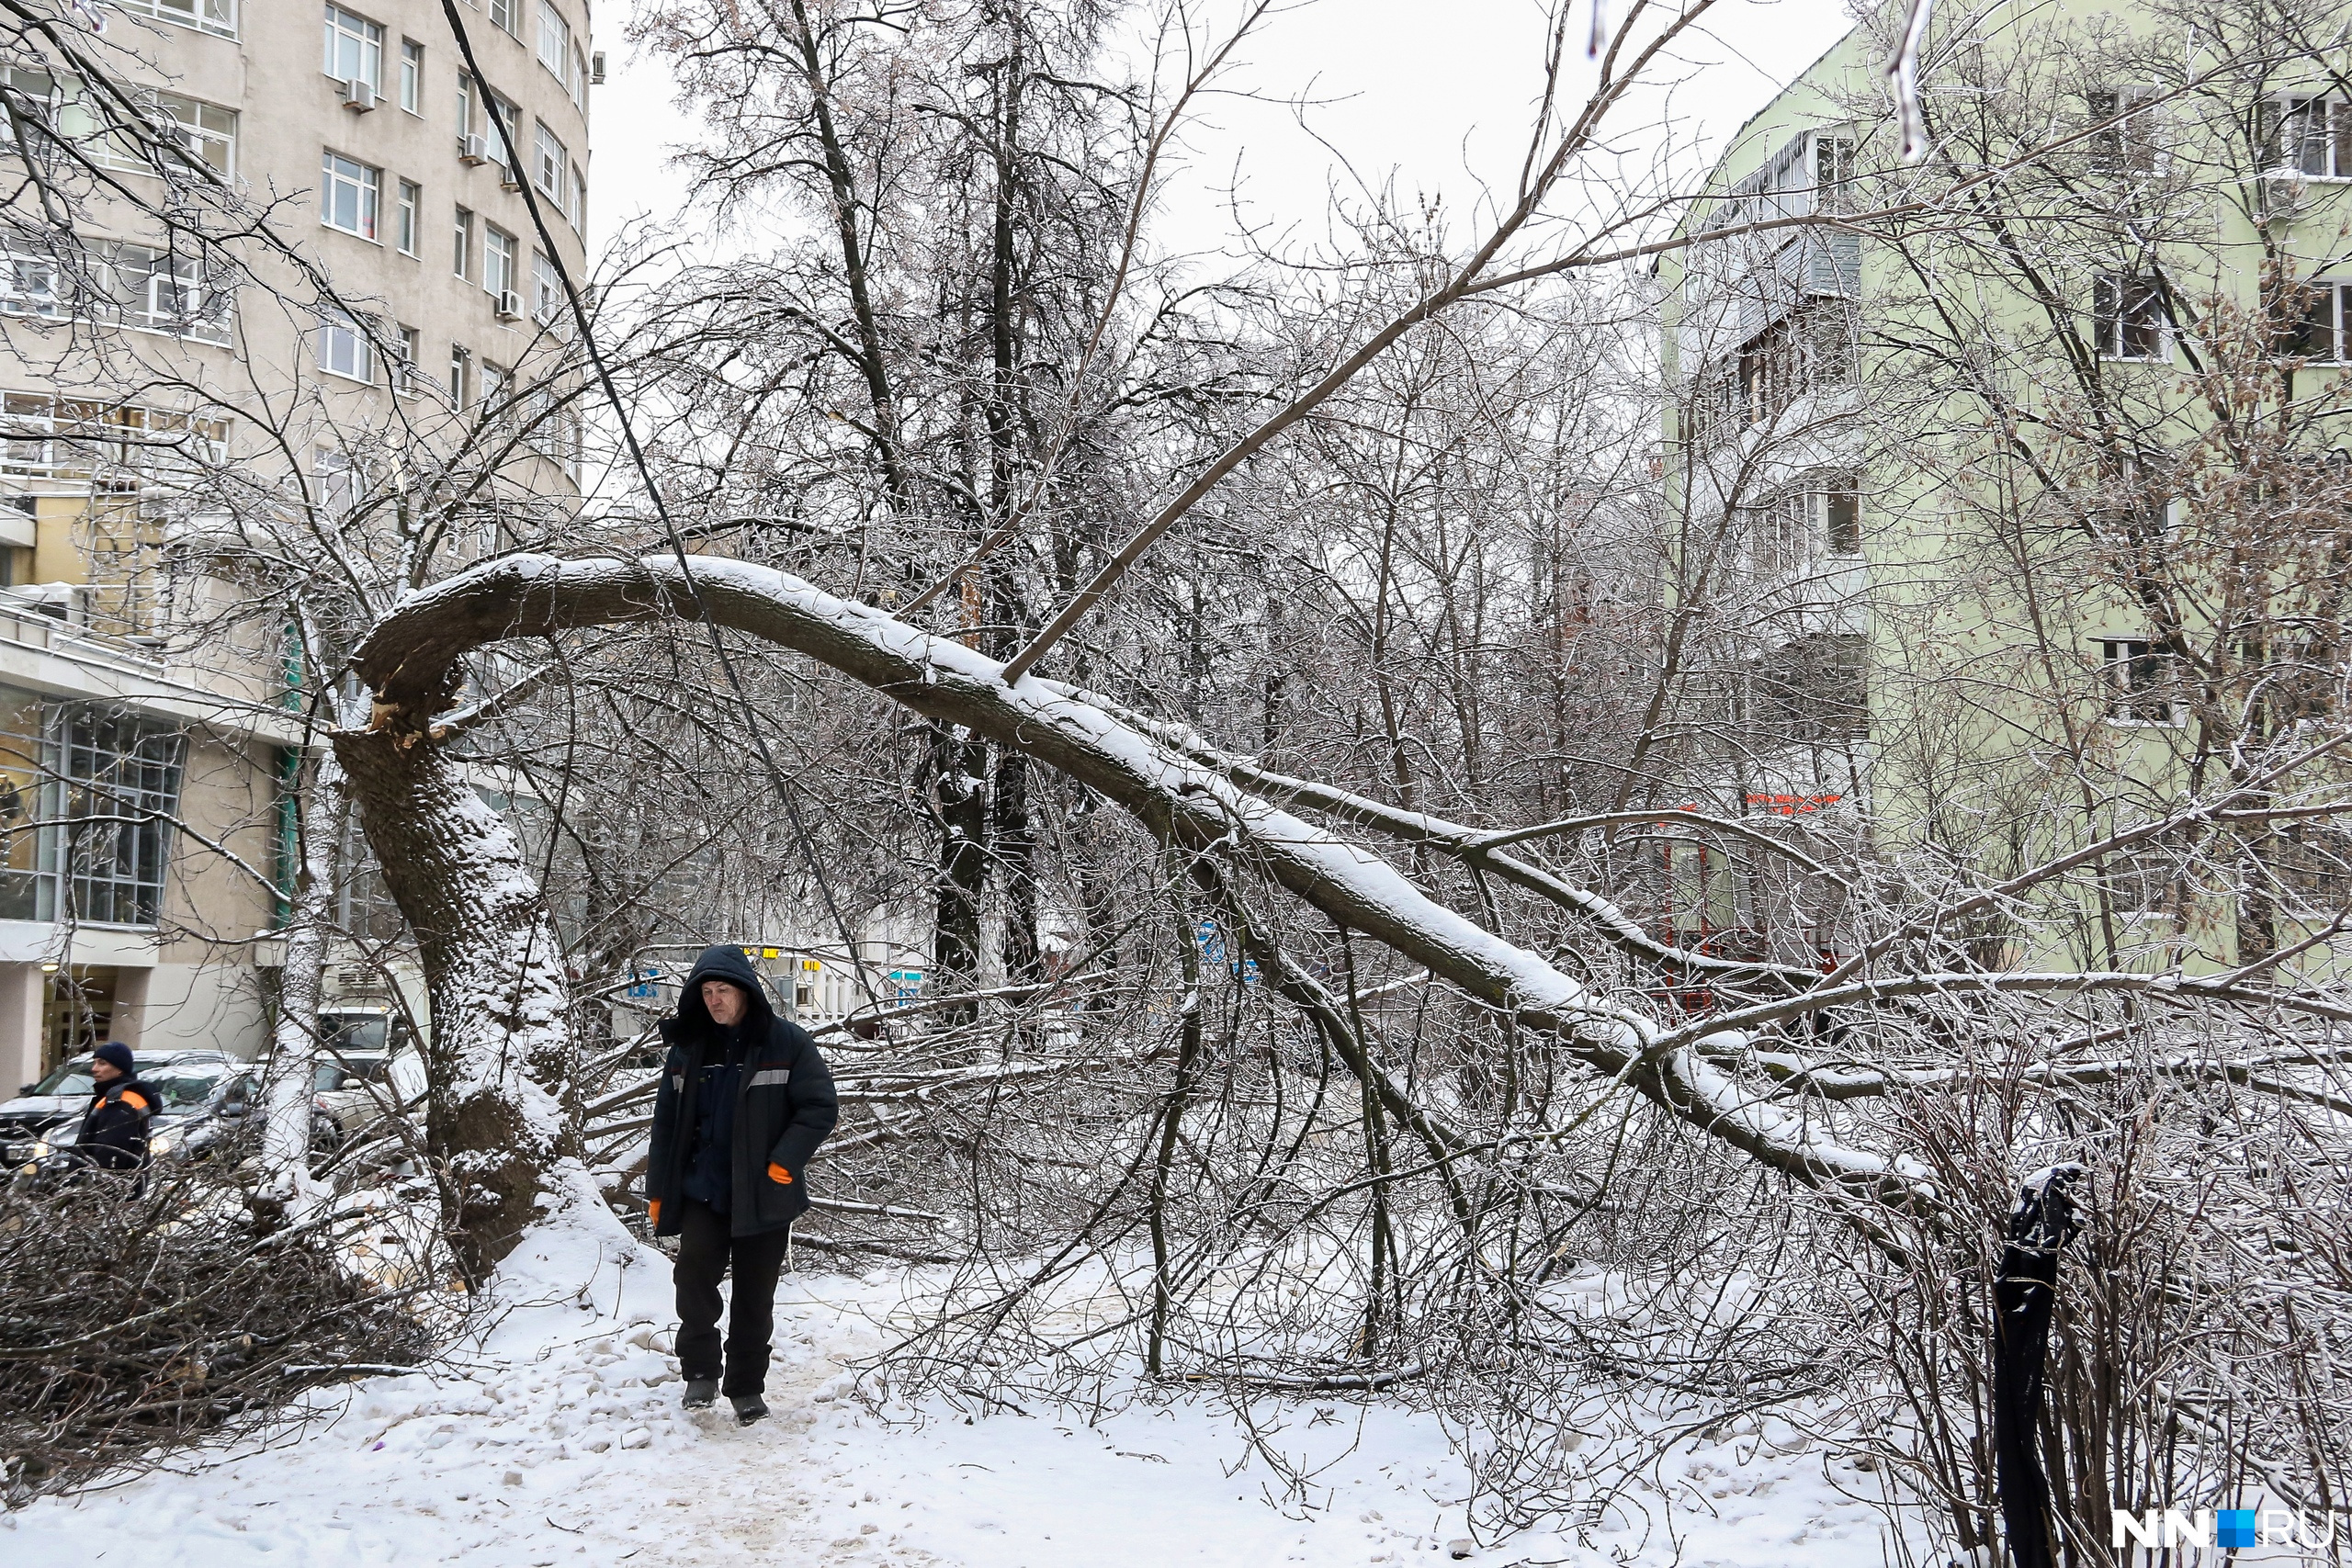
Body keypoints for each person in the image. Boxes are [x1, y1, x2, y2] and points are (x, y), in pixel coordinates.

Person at [645, 945, 838, 1426]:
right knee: (692, 1279)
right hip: (703, 1191)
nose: (714, 1001)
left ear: (745, 991)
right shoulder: (689, 1049)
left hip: (764, 1193)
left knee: (755, 1294)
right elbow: (666, 1125)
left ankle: (747, 1387)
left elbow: (819, 1108)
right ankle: (700, 1373)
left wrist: (784, 1163)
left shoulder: (787, 1043)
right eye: (706, 992)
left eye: (723, 991)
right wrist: (658, 1190)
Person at [76, 1041, 154, 1175]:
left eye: (102, 1063)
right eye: (94, 1062)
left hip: (112, 1188)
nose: (94, 1069)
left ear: (119, 1069)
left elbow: (110, 1151)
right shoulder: (112, 1096)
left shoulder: (121, 1102)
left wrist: (98, 1182)